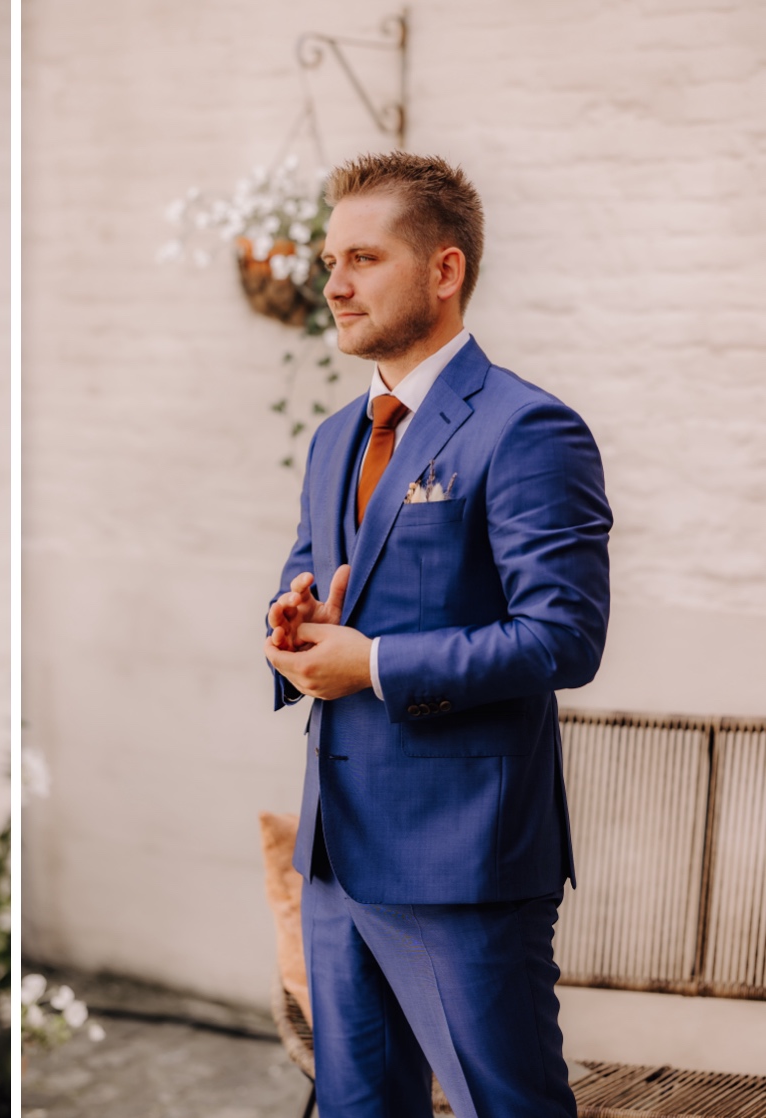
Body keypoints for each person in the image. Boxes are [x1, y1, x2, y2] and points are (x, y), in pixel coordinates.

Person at [262, 153, 611, 1117]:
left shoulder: (529, 428)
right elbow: (307, 585)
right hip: (336, 855)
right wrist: (291, 633)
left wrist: (371, 663)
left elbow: (562, 638)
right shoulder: (335, 437)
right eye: (332, 259)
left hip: (462, 863)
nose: (333, 283)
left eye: (364, 258)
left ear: (444, 270)